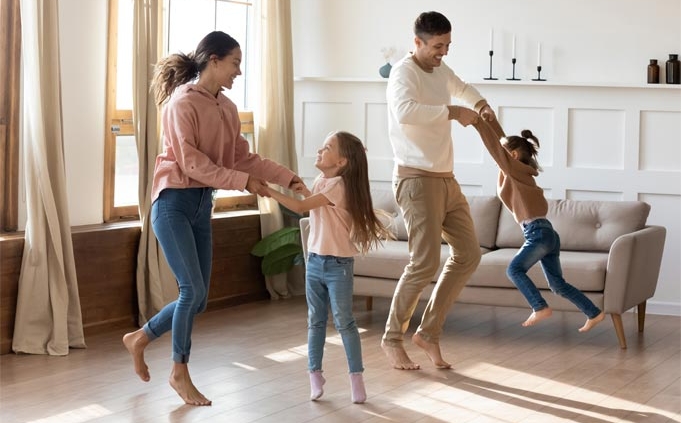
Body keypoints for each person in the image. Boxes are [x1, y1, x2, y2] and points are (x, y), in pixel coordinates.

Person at [122, 31, 306, 406]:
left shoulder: (228, 108)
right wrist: (245, 182)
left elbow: (241, 157)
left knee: (199, 298)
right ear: (213, 60)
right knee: (191, 291)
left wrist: (286, 176)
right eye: (235, 63)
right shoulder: (181, 103)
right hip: (172, 202)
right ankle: (179, 371)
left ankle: (140, 338)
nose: (239, 71)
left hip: (201, 206)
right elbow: (192, 163)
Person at [382, 10, 497, 370]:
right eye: (436, 46)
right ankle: (391, 338)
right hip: (416, 180)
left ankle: (428, 332)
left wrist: (479, 105)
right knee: (425, 262)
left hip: (445, 179)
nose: (443, 52)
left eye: (447, 45)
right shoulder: (403, 73)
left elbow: (461, 86)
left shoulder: (439, 70)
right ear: (416, 42)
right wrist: (451, 112)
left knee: (469, 253)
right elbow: (405, 111)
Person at [263, 131, 391, 404]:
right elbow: (316, 208)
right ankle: (315, 375)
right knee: (315, 321)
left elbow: (299, 207)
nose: (319, 150)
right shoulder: (324, 181)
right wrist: (308, 191)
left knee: (345, 322)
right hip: (315, 262)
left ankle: (356, 378)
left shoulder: (338, 185)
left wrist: (266, 190)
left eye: (327, 147)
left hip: (337, 265)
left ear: (341, 162)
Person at [473, 120, 606, 331]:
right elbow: (501, 144)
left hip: (537, 233)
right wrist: (489, 119)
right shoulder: (519, 171)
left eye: (503, 153)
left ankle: (539, 307)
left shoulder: (513, 170)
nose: (498, 157)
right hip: (547, 233)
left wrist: (478, 124)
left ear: (513, 155)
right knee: (557, 284)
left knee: (514, 270)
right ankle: (594, 312)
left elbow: (495, 147)